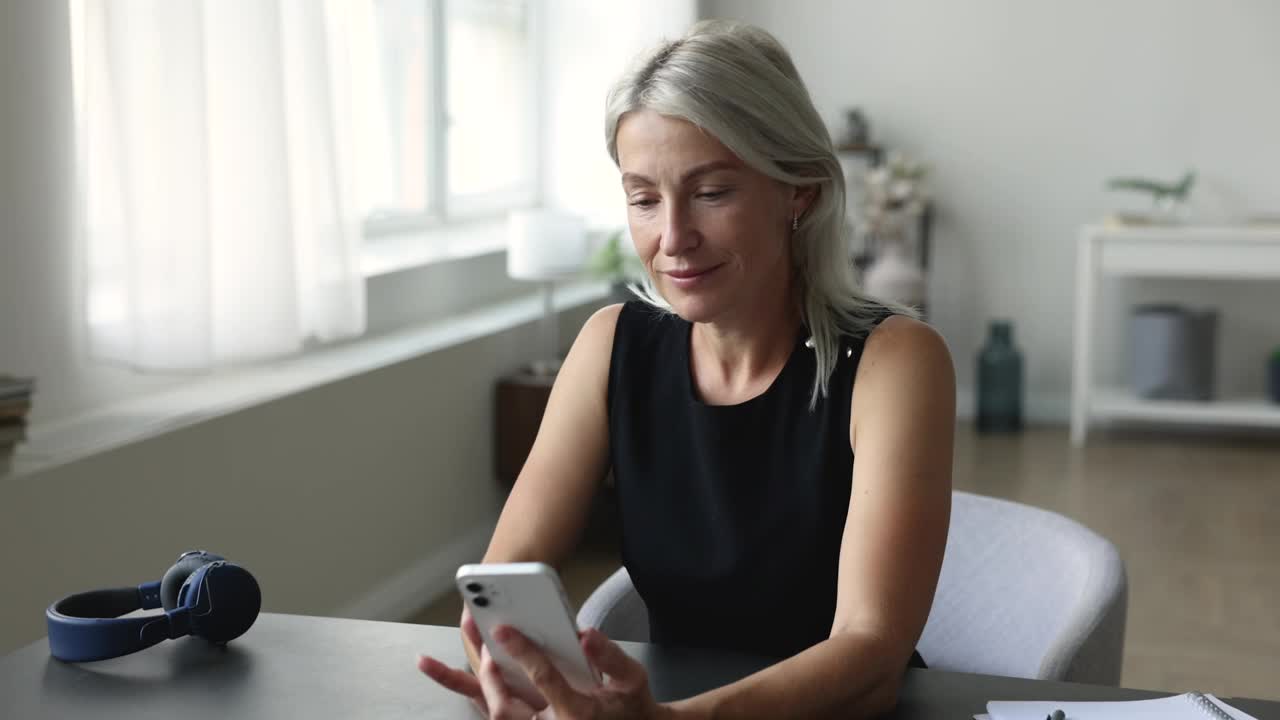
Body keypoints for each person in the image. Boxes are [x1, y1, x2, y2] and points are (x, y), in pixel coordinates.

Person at [419, 19, 955, 720]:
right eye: (643, 199)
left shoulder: (896, 361)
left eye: (711, 193)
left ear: (800, 191)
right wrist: (515, 671)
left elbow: (871, 651)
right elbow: (498, 584)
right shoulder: (611, 345)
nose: (672, 239)